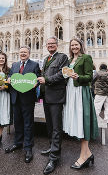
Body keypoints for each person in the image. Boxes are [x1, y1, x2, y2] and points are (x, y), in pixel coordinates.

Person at [63, 38, 98, 169]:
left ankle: (83, 156)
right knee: (78, 123)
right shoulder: (69, 60)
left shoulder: (86, 57)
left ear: (81, 45)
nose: (74, 47)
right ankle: (88, 154)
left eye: (76, 45)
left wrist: (79, 77)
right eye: (72, 45)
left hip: (81, 92)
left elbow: (90, 76)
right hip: (71, 92)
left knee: (82, 123)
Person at [37, 36, 69, 175]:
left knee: (56, 127)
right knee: (49, 125)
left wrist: (47, 79)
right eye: (48, 44)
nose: (50, 45)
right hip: (46, 97)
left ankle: (54, 157)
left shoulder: (62, 57)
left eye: (52, 44)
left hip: (56, 97)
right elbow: (43, 76)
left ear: (57, 45)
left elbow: (62, 75)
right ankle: (52, 147)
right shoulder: (46, 59)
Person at [5, 46, 40, 163]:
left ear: (29, 53)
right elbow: (10, 76)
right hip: (16, 98)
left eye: (25, 52)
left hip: (27, 99)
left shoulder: (34, 65)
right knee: (17, 122)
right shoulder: (14, 65)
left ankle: (28, 148)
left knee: (28, 123)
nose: (23, 54)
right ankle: (17, 143)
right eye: (21, 52)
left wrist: (36, 83)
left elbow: (38, 78)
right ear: (18, 53)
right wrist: (8, 79)